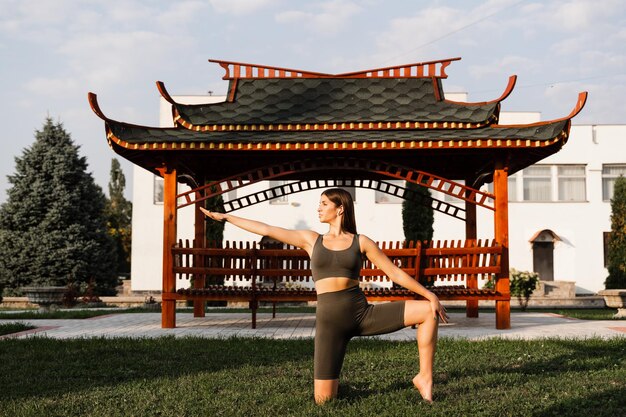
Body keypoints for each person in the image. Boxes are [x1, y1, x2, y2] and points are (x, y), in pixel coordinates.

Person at [200, 188, 448, 404]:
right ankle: (338, 386)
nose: (318, 208)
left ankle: (424, 377)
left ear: (340, 209)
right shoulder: (311, 240)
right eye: (319, 204)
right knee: (324, 400)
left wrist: (429, 294)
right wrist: (227, 218)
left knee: (428, 310)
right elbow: (267, 228)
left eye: (324, 204)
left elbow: (394, 273)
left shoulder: (361, 242)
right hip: (330, 325)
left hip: (362, 314)